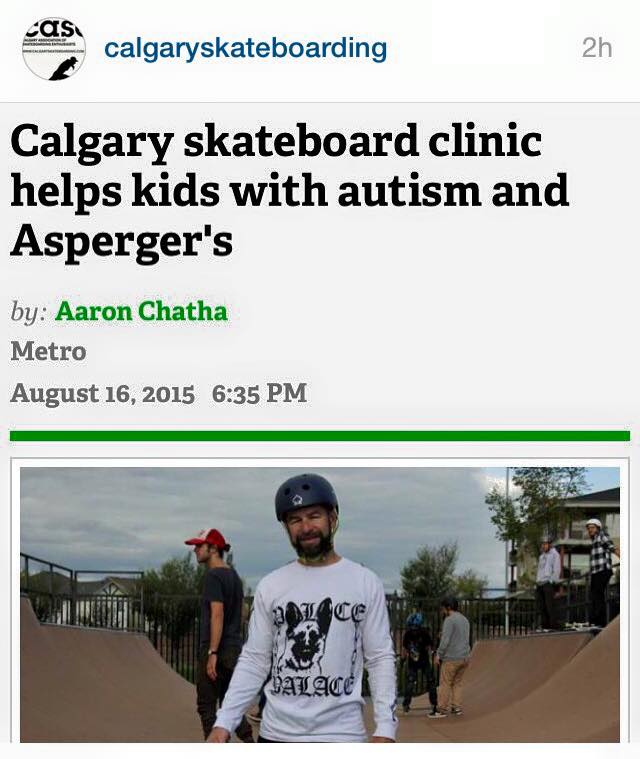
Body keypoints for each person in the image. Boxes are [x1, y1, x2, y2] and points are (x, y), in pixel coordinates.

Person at [208, 473, 398, 743]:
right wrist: (224, 722)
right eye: (295, 520)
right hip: (276, 736)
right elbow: (255, 660)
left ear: (332, 518)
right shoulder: (272, 586)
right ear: (286, 527)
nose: (305, 527)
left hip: (342, 737)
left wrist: (385, 729)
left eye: (314, 516)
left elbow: (379, 658)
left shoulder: (364, 583)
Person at [184, 528, 254, 742]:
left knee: (206, 705)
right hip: (233, 648)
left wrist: (212, 651)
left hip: (215, 649)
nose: (195, 550)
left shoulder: (213, 576)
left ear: (213, 549)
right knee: (229, 705)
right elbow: (242, 611)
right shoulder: (233, 575)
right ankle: (251, 743)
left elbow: (217, 613)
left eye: (199, 546)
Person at [432, 597, 470, 718]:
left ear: (448, 608)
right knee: (457, 683)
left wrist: (439, 654)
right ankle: (456, 707)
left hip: (451, 658)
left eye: (443, 608)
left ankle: (441, 709)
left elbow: (445, 640)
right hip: (464, 657)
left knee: (445, 683)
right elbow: (460, 637)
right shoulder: (464, 619)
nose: (442, 611)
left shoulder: (449, 620)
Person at [401, 612, 438, 716]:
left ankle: (406, 705)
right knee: (430, 681)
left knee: (410, 682)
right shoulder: (424, 632)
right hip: (424, 661)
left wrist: (403, 659)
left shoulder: (408, 633)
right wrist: (433, 654)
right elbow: (430, 647)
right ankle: (434, 703)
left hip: (414, 662)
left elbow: (404, 649)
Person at [586, 518, 620, 628]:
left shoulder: (602, 535)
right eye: (589, 528)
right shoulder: (594, 540)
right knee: (593, 595)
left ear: (598, 528)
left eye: (592, 528)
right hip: (596, 572)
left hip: (603, 570)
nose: (590, 530)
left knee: (598, 595)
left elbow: (610, 546)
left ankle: (600, 622)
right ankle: (595, 621)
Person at [535, 536, 561, 630]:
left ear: (550, 545)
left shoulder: (555, 554)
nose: (543, 546)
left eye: (545, 544)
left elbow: (557, 569)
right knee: (542, 608)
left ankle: (553, 627)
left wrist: (553, 582)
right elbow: (539, 570)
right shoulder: (541, 556)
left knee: (550, 606)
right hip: (540, 583)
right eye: (543, 544)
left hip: (548, 583)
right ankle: (545, 627)